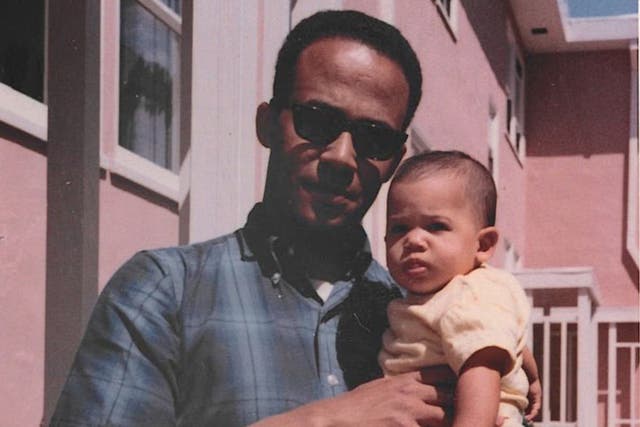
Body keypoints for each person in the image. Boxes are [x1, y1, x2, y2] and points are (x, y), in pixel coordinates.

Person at [50, 10, 456, 427]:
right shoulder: (165, 291)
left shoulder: (422, 315)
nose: (341, 157)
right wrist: (322, 421)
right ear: (267, 124)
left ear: (395, 162)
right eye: (317, 120)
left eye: (374, 138)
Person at [378, 150, 542, 427]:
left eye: (436, 226)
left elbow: (482, 367)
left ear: (483, 245)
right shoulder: (470, 293)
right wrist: (533, 378)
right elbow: (509, 339)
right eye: (399, 228)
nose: (414, 240)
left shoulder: (468, 295)